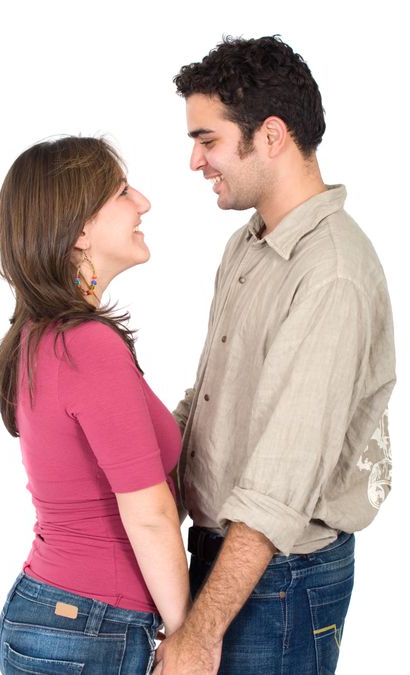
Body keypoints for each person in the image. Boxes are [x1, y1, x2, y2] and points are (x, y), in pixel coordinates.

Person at [155, 36, 396, 674]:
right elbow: (207, 402)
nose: (194, 161)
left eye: (207, 140)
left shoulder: (331, 272)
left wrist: (202, 632)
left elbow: (280, 486)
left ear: (270, 135)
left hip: (278, 580)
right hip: (223, 559)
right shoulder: (248, 247)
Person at [0, 136, 190, 674]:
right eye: (122, 192)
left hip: (59, 614)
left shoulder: (40, 334)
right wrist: (187, 636)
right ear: (80, 231)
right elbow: (148, 515)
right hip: (87, 628)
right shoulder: (85, 345)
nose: (143, 202)